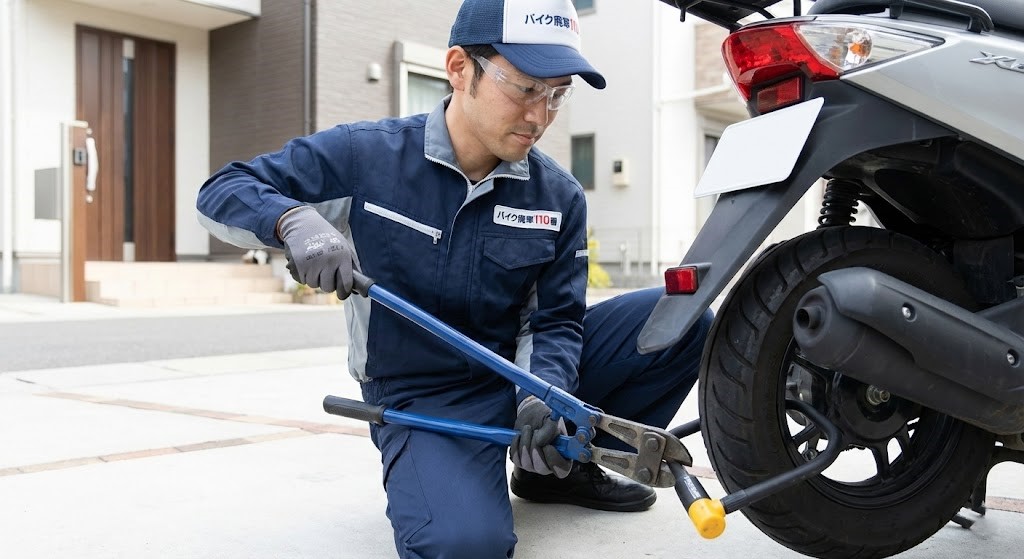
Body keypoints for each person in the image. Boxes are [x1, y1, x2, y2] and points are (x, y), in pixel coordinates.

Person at [197, 0, 712, 557]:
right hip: (426, 396)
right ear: (459, 67)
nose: (540, 116)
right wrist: (291, 221)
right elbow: (222, 190)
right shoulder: (365, 157)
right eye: (524, 88)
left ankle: (556, 467)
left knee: (681, 318)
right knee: (465, 546)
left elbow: (556, 320)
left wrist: (543, 398)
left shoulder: (556, 196)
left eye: (557, 94)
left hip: (520, 373)